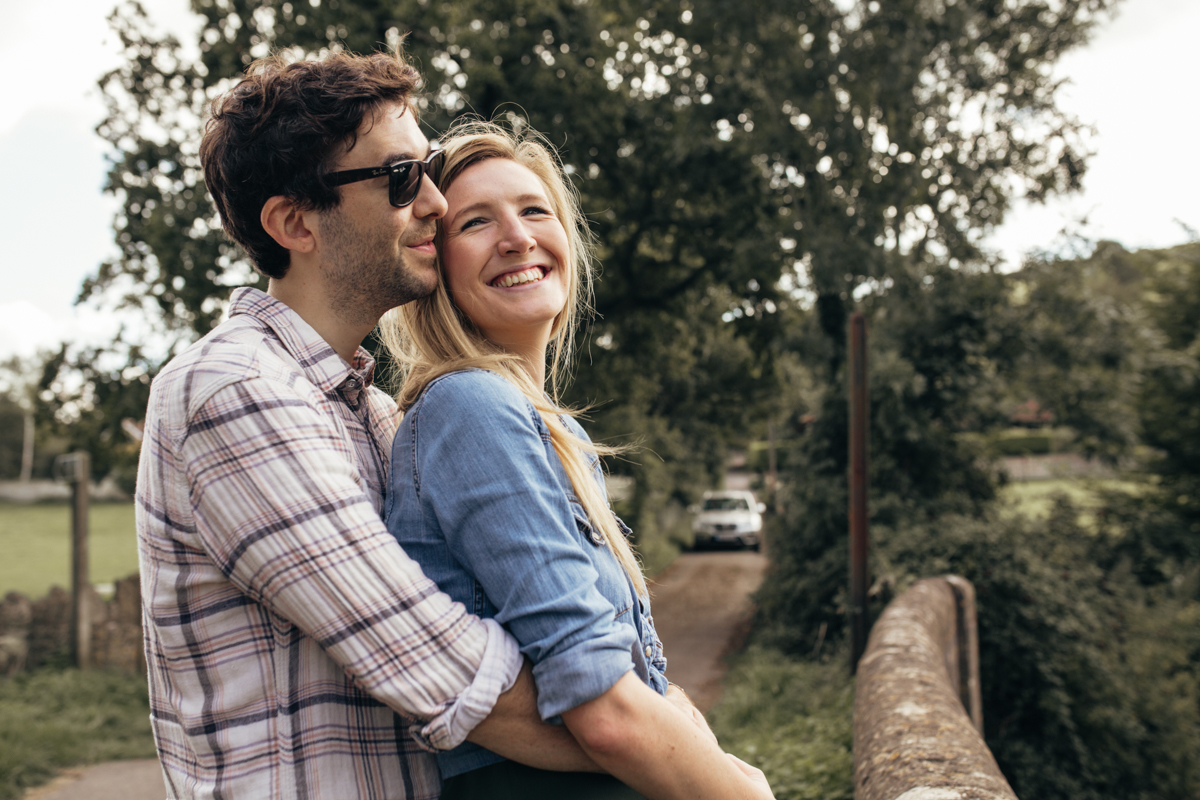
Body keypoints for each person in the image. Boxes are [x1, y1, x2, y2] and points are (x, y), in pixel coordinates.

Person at [136, 50, 600, 800]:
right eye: (399, 179)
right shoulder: (231, 392)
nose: (437, 204)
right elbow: (446, 669)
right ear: (294, 223)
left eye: (431, 167)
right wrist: (656, 736)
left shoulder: (379, 417)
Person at [379, 121, 775, 800]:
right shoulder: (472, 408)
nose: (518, 237)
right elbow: (607, 715)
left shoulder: (546, 428)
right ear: (435, 266)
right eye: (476, 222)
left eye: (535, 210)